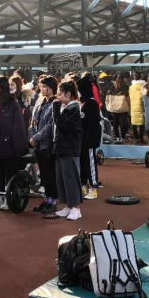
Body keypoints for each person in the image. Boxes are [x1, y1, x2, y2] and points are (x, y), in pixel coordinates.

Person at [0, 76, 27, 211]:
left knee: (10, 174)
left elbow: (18, 127)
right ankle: (0, 198)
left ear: (3, 87)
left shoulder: (13, 104)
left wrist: (18, 148)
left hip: (9, 146)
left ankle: (9, 199)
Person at [47, 81, 83, 221]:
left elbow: (61, 124)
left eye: (60, 93)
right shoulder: (65, 108)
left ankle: (76, 208)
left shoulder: (74, 108)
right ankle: (68, 205)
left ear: (68, 94)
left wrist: (56, 107)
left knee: (71, 177)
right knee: (61, 178)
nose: (58, 96)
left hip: (69, 148)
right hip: (61, 147)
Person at [29, 76, 58, 214]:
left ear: (51, 88)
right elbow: (33, 120)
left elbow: (50, 126)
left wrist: (36, 137)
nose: (42, 89)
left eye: (45, 86)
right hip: (38, 144)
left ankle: (53, 201)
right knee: (44, 175)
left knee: (50, 174)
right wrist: (33, 136)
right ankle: (47, 200)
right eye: (41, 86)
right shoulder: (40, 101)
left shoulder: (55, 103)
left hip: (48, 144)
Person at [77, 77, 102, 200]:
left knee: (90, 164)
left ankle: (93, 187)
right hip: (81, 140)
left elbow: (93, 125)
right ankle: (84, 185)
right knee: (82, 163)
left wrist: (89, 140)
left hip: (89, 141)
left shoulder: (91, 104)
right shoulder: (82, 103)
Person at [106, 74, 130, 142]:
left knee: (115, 123)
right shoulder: (126, 87)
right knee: (123, 123)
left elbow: (107, 99)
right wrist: (129, 106)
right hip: (123, 108)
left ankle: (117, 136)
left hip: (113, 108)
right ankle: (123, 136)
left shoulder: (111, 87)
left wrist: (107, 105)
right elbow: (128, 99)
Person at [129, 73, 146, 145]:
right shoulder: (143, 86)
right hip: (141, 106)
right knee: (142, 122)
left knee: (134, 122)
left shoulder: (131, 87)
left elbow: (130, 97)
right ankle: (141, 138)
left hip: (133, 106)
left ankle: (136, 138)